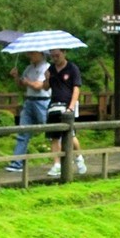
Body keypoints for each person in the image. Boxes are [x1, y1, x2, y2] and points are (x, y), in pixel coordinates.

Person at [45, 47, 87, 178]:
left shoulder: (72, 68)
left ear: (64, 53)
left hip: (67, 105)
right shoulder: (51, 69)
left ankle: (79, 158)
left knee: (70, 134)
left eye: (57, 55)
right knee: (54, 136)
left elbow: (76, 88)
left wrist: (71, 107)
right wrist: (46, 79)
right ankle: (57, 164)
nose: (55, 58)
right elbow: (46, 87)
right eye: (52, 56)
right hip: (53, 104)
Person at [6, 51, 51, 172]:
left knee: (51, 131)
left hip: (42, 102)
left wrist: (27, 82)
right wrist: (16, 76)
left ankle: (62, 158)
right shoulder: (29, 68)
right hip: (29, 101)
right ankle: (17, 163)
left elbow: (39, 86)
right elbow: (21, 84)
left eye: (32, 53)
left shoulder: (46, 68)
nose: (29, 55)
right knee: (23, 131)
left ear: (41, 54)